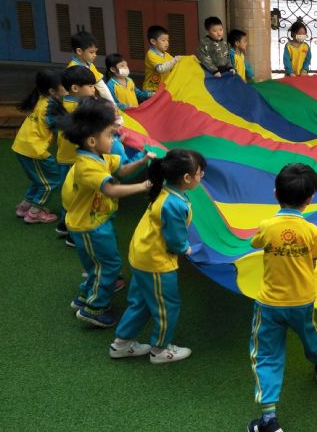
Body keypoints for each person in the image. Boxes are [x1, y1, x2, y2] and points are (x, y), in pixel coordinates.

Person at [247, 164, 317, 432]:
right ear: (310, 198)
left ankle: (269, 419)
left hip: (270, 303)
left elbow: (256, 243)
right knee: (308, 332)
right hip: (302, 299)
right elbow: (316, 259)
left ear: (275, 193)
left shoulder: (267, 226)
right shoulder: (311, 231)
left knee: (267, 355)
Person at [62, 98, 155, 327]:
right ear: (92, 140)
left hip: (96, 221)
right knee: (109, 265)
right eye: (109, 135)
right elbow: (111, 189)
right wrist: (143, 186)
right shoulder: (87, 166)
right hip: (89, 227)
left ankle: (85, 297)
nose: (113, 140)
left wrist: (143, 159)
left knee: (98, 265)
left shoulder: (100, 156)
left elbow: (122, 170)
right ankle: (95, 308)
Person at [110, 149, 206, 363]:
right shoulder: (174, 204)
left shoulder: (164, 191)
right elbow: (176, 240)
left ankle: (121, 343)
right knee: (167, 306)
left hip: (142, 255)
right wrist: (186, 249)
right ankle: (159, 350)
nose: (201, 176)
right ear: (187, 178)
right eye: (200, 173)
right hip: (155, 262)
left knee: (141, 302)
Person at [51, 66, 99, 246]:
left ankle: (64, 224)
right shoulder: (78, 109)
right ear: (75, 88)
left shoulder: (64, 103)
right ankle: (73, 234)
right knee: (76, 196)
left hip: (64, 158)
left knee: (69, 194)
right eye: (90, 86)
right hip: (73, 160)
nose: (94, 90)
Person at [13, 70, 63, 224]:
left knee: (38, 180)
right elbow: (60, 126)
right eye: (63, 85)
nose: (66, 86)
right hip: (34, 149)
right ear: (52, 90)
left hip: (23, 146)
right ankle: (34, 213)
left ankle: (24, 207)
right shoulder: (51, 106)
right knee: (51, 182)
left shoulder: (42, 98)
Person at [68, 31, 114, 103]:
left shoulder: (90, 65)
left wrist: (112, 103)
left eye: (95, 52)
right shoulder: (73, 69)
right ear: (79, 51)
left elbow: (101, 85)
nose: (95, 55)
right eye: (91, 52)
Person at [144, 25, 181, 92]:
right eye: (163, 40)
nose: (167, 43)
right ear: (153, 41)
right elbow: (161, 69)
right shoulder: (151, 54)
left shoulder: (167, 55)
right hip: (152, 90)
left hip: (163, 88)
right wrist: (175, 60)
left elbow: (176, 65)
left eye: (167, 40)